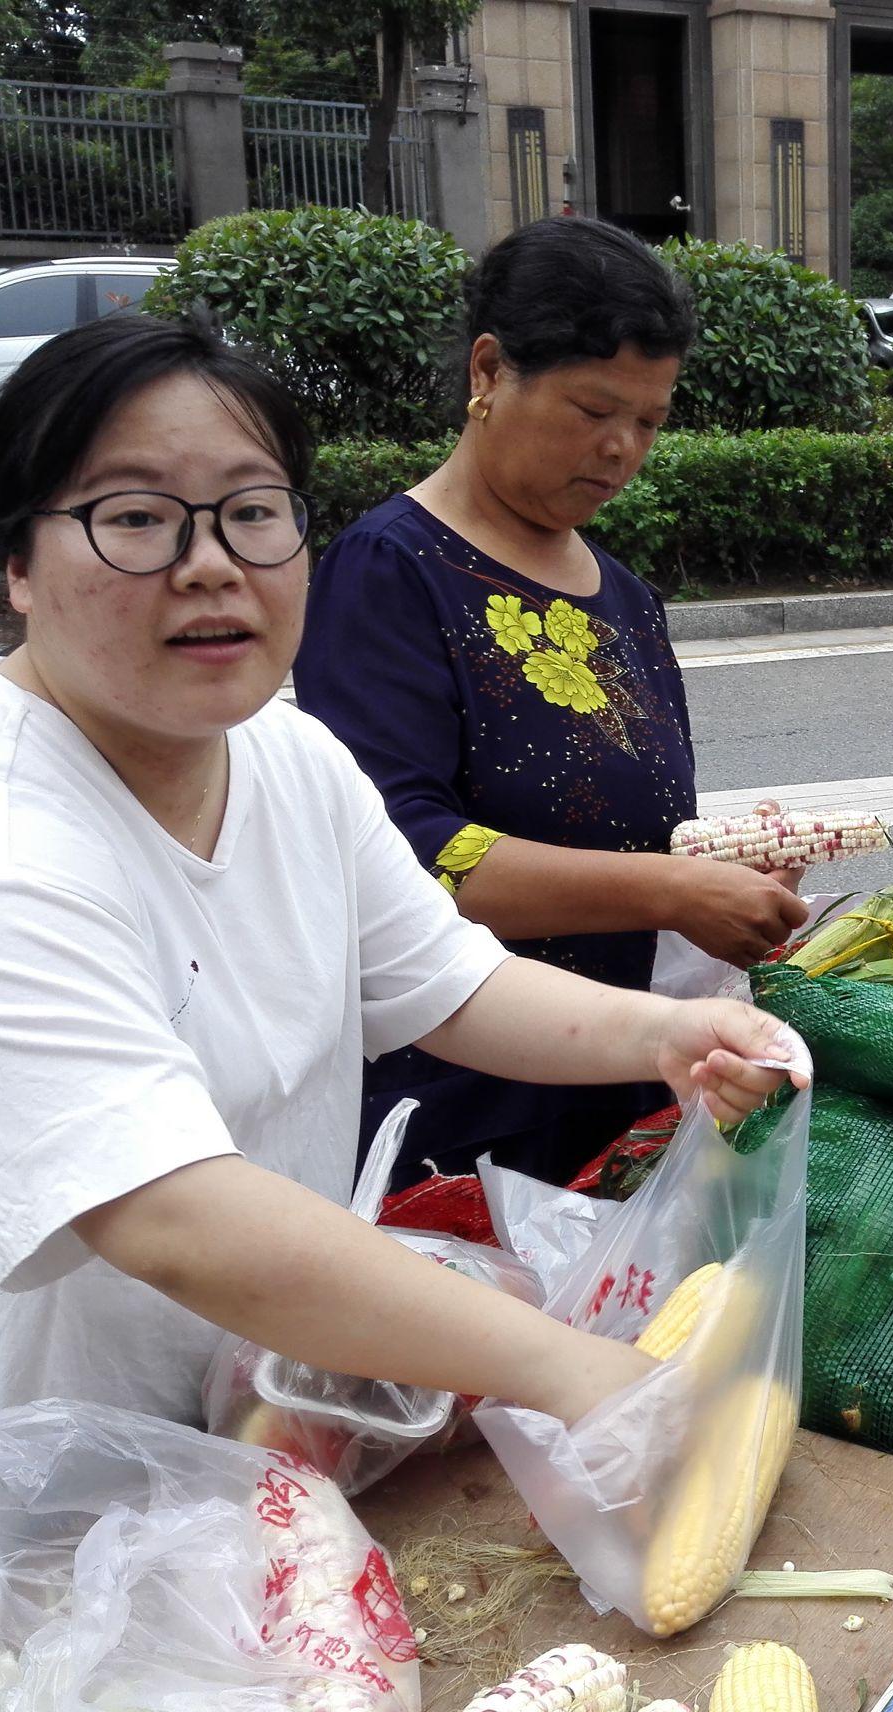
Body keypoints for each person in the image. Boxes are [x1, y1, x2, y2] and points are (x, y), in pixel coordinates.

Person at [0, 313, 802, 1679]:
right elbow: (170, 1214)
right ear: (17, 566)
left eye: (251, 513)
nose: (209, 564)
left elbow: (445, 982)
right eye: (135, 518)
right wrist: (575, 1372)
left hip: (191, 1433)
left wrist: (665, 1035)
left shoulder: (283, 753)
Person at [293, 217, 807, 1187]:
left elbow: (634, 829)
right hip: (460, 1094)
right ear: (489, 371)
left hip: (622, 1073)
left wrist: (718, 865)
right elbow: (406, 855)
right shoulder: (391, 569)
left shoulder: (624, 597)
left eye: (649, 422)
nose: (620, 448)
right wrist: (668, 888)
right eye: (590, 409)